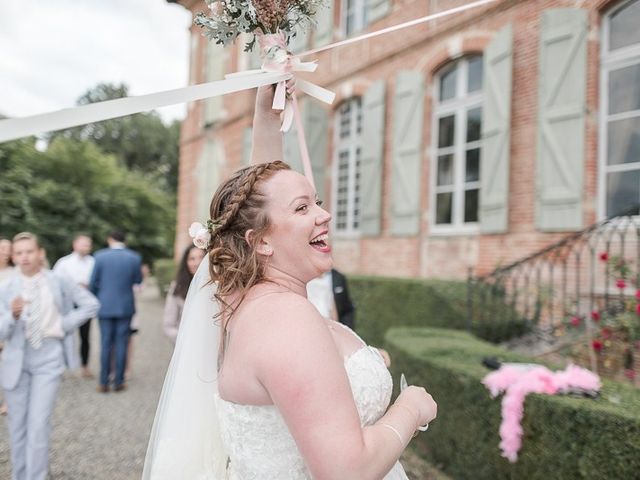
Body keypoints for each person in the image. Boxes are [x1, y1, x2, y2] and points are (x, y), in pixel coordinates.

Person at [143, 83, 437, 479]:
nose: (324, 214)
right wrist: (411, 408)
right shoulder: (286, 320)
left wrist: (266, 116)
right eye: (303, 207)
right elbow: (346, 471)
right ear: (261, 241)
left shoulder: (243, 297)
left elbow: (255, 206)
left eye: (317, 201)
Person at [0, 232, 99, 480]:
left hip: (48, 358)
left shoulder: (58, 280)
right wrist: (10, 316)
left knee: (38, 426)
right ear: (13, 257)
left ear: (40, 253)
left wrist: (62, 325)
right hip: (15, 361)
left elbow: (90, 304)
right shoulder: (6, 288)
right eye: (19, 253)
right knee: (17, 427)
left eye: (29, 251)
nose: (24, 257)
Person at [89, 230, 142, 393]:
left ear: (109, 239)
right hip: (125, 306)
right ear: (124, 240)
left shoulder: (99, 256)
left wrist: (101, 297)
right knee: (121, 344)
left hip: (105, 306)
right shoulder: (134, 257)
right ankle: (119, 381)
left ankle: (103, 382)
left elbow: (92, 283)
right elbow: (138, 280)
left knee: (105, 344)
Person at [53, 234, 95, 378]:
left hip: (85, 305)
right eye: (83, 244)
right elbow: (53, 283)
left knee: (85, 336)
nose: (86, 247)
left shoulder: (93, 262)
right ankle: (61, 366)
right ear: (75, 244)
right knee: (63, 335)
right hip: (66, 305)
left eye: (88, 244)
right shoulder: (63, 263)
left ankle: (85, 366)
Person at [163, 245, 206, 344]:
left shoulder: (218, 287)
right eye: (192, 259)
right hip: (185, 345)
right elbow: (169, 325)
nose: (197, 263)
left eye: (201, 257)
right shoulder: (177, 287)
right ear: (186, 263)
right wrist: (186, 341)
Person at [0, 237, 14, 416]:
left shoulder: (15, 273)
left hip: (10, 324)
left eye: (7, 249)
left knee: (9, 365)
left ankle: (9, 402)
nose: (4, 252)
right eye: (1, 248)